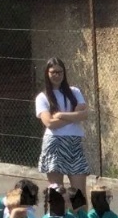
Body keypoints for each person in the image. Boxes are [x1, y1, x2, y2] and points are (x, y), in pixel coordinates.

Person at [35, 57, 89, 196]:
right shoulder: (42, 97)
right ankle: (58, 217)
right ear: (47, 73)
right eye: (53, 72)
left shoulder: (75, 92)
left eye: (60, 72)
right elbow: (50, 123)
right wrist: (73, 115)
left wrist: (61, 115)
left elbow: (84, 114)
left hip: (74, 144)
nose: (57, 75)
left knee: (79, 195)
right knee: (57, 194)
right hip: (54, 144)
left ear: (64, 73)